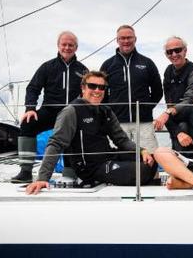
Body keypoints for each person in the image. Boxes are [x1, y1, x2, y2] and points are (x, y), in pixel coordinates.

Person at [25, 71, 157, 195]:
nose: (97, 91)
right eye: (92, 86)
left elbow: (121, 140)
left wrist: (141, 150)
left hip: (108, 157)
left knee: (151, 159)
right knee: (143, 170)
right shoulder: (71, 111)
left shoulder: (106, 111)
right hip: (90, 168)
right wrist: (42, 178)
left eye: (102, 87)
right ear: (83, 88)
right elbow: (56, 144)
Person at [11, 31, 88, 183]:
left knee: (74, 134)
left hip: (71, 113)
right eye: (64, 44)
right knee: (27, 124)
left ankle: (70, 173)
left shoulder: (83, 70)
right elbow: (33, 88)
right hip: (49, 110)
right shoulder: (47, 67)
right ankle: (25, 171)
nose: (67, 47)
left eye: (70, 45)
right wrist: (30, 109)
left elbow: (88, 93)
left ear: (76, 47)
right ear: (58, 46)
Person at [99, 25, 163, 152]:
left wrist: (145, 108)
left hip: (143, 121)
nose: (126, 41)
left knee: (150, 157)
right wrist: (111, 112)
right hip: (117, 122)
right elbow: (101, 93)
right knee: (120, 158)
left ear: (135, 39)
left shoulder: (147, 63)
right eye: (122, 38)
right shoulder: (108, 65)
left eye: (129, 38)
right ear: (117, 40)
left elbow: (157, 91)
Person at [153, 36, 193, 152]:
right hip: (176, 124)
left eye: (177, 50)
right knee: (176, 156)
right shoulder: (168, 71)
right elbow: (169, 103)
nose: (174, 54)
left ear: (185, 51)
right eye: (169, 52)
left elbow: (192, 99)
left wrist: (168, 113)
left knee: (192, 157)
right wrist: (176, 131)